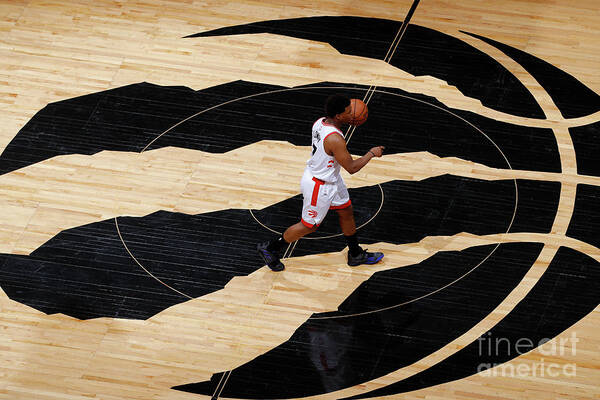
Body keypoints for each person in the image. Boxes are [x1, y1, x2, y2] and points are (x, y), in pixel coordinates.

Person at [257, 94, 385, 271]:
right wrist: (371, 153)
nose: (353, 115)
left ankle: (355, 254)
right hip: (320, 185)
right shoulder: (335, 139)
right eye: (349, 112)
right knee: (308, 226)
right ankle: (271, 247)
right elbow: (352, 168)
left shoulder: (321, 122)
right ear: (338, 116)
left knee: (346, 211)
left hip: (328, 176)